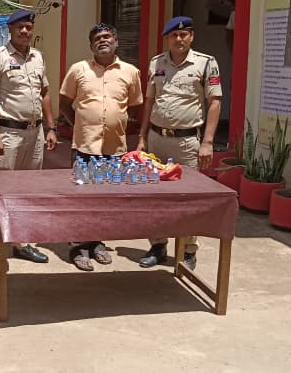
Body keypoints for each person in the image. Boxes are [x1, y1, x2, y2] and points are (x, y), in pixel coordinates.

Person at [135, 15, 223, 270]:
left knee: (188, 198)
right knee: (156, 197)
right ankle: (158, 245)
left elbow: (215, 102)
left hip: (186, 142)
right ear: (167, 38)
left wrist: (207, 142)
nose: (179, 39)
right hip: (157, 139)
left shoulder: (205, 63)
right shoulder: (156, 63)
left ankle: (187, 250)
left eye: (184, 34)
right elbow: (149, 102)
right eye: (174, 35)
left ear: (191, 36)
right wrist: (142, 137)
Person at [59, 23, 142, 271]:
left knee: (105, 200)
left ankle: (97, 242)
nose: (102, 41)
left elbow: (135, 106)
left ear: (116, 42)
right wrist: (79, 125)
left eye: (107, 37)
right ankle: (78, 246)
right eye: (97, 38)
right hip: (85, 148)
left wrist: (119, 123)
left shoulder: (131, 72)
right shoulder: (78, 69)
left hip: (114, 150)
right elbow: (64, 102)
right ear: (91, 45)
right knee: (81, 199)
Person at [0, 8, 58, 266]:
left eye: (28, 27)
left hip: (35, 133)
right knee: (3, 191)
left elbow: (44, 93)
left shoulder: (38, 57)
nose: (24, 31)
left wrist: (51, 127)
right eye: (19, 27)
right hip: (9, 133)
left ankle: (21, 243)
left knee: (28, 191)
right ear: (10, 30)